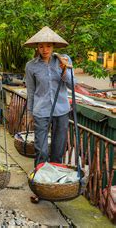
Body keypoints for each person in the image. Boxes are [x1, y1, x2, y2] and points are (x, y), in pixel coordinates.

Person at [24, 26, 74, 167]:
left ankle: (54, 182)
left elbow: (72, 84)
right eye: (41, 46)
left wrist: (64, 69)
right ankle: (39, 178)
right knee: (41, 150)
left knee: (58, 150)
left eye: (48, 46)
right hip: (41, 110)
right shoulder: (31, 66)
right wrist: (29, 113)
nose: (45, 50)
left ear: (53, 46)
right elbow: (31, 91)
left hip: (62, 110)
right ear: (37, 48)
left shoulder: (64, 60)